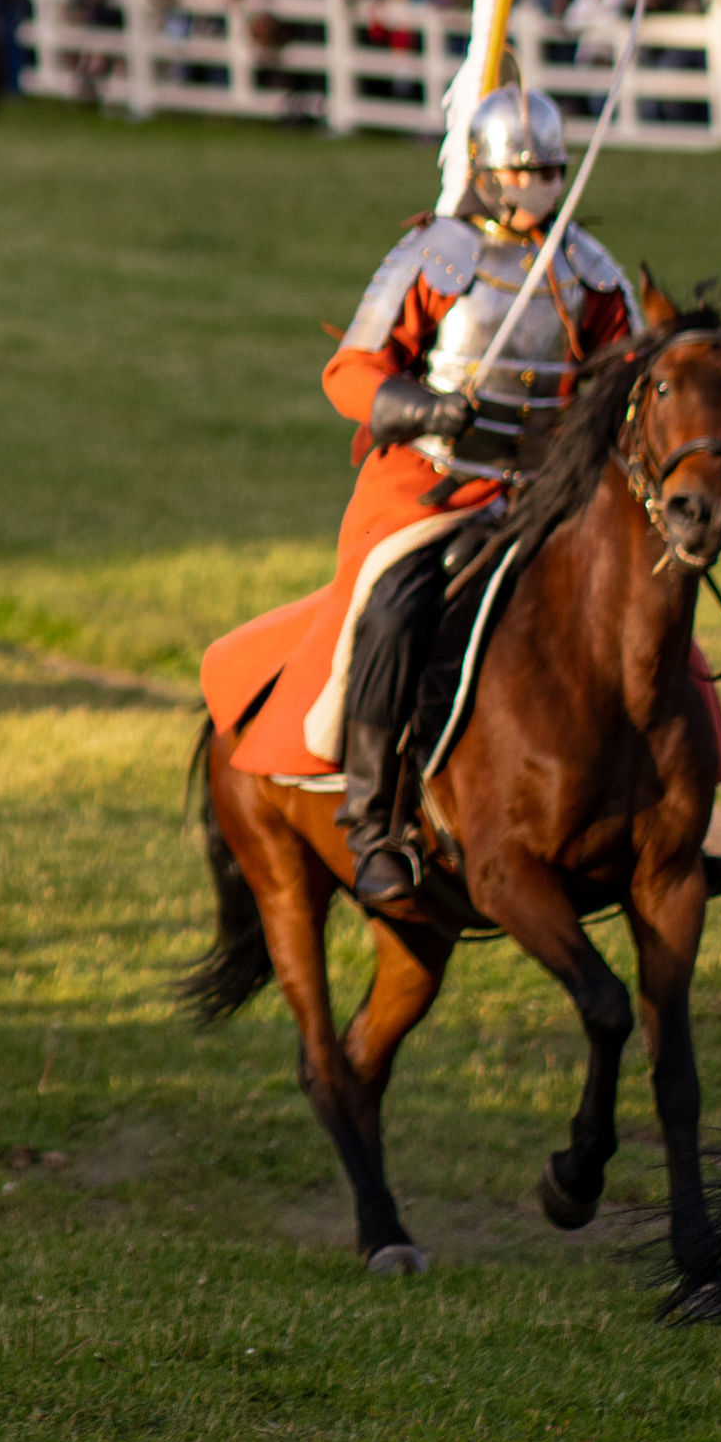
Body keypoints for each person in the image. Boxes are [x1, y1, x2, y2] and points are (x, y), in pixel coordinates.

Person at [201, 82, 635, 908]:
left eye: (547, 170)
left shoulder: (586, 270)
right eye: (519, 170)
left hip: (550, 491)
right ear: (482, 171)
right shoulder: (437, 256)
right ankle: (372, 821)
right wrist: (427, 408)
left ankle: (676, 813)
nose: (533, 186)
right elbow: (352, 371)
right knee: (398, 605)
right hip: (437, 485)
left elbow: (622, 376)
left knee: (642, 595)